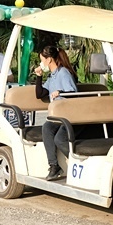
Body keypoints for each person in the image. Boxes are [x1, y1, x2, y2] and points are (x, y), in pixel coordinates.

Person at [34, 46, 78, 180]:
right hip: (59, 117)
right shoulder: (52, 76)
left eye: (42, 61)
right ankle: (54, 166)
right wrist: (39, 77)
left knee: (60, 139)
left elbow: (74, 94)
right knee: (47, 127)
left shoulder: (63, 73)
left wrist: (61, 92)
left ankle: (77, 162)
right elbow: (40, 94)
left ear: (49, 60)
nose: (41, 64)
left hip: (70, 115)